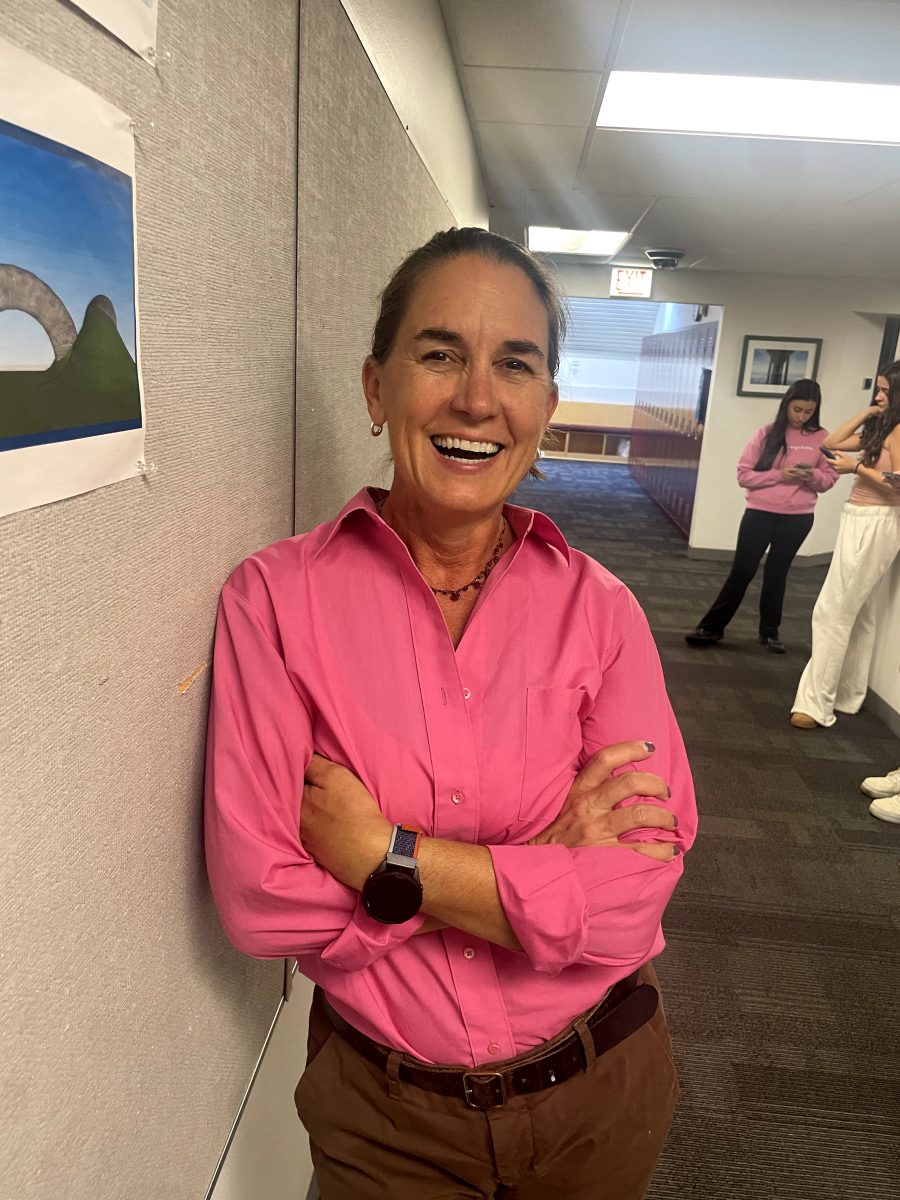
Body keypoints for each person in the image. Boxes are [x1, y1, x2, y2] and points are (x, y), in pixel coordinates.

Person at [204, 228, 697, 1199]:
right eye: (440, 353)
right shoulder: (275, 601)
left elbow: (635, 895)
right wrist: (544, 862)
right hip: (387, 1120)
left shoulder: (601, 613)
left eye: (514, 364)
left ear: (545, 408)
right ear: (377, 387)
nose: (477, 396)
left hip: (601, 1095)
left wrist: (390, 860)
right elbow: (262, 901)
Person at [685, 380, 835, 654]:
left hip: (798, 518)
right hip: (760, 514)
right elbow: (744, 476)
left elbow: (829, 480)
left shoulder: (823, 438)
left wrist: (810, 475)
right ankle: (711, 627)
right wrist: (781, 475)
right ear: (786, 405)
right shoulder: (766, 434)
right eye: (797, 409)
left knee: (777, 574)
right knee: (742, 571)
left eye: (808, 412)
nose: (801, 416)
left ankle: (770, 633)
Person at [791, 372, 900, 728]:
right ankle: (848, 695)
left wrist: (856, 468)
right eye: (878, 390)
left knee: (831, 612)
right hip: (860, 517)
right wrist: (870, 413)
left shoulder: (899, 433)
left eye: (885, 392)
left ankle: (816, 704)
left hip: (877, 520)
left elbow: (898, 484)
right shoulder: (884, 428)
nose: (879, 397)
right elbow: (832, 442)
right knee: (861, 611)